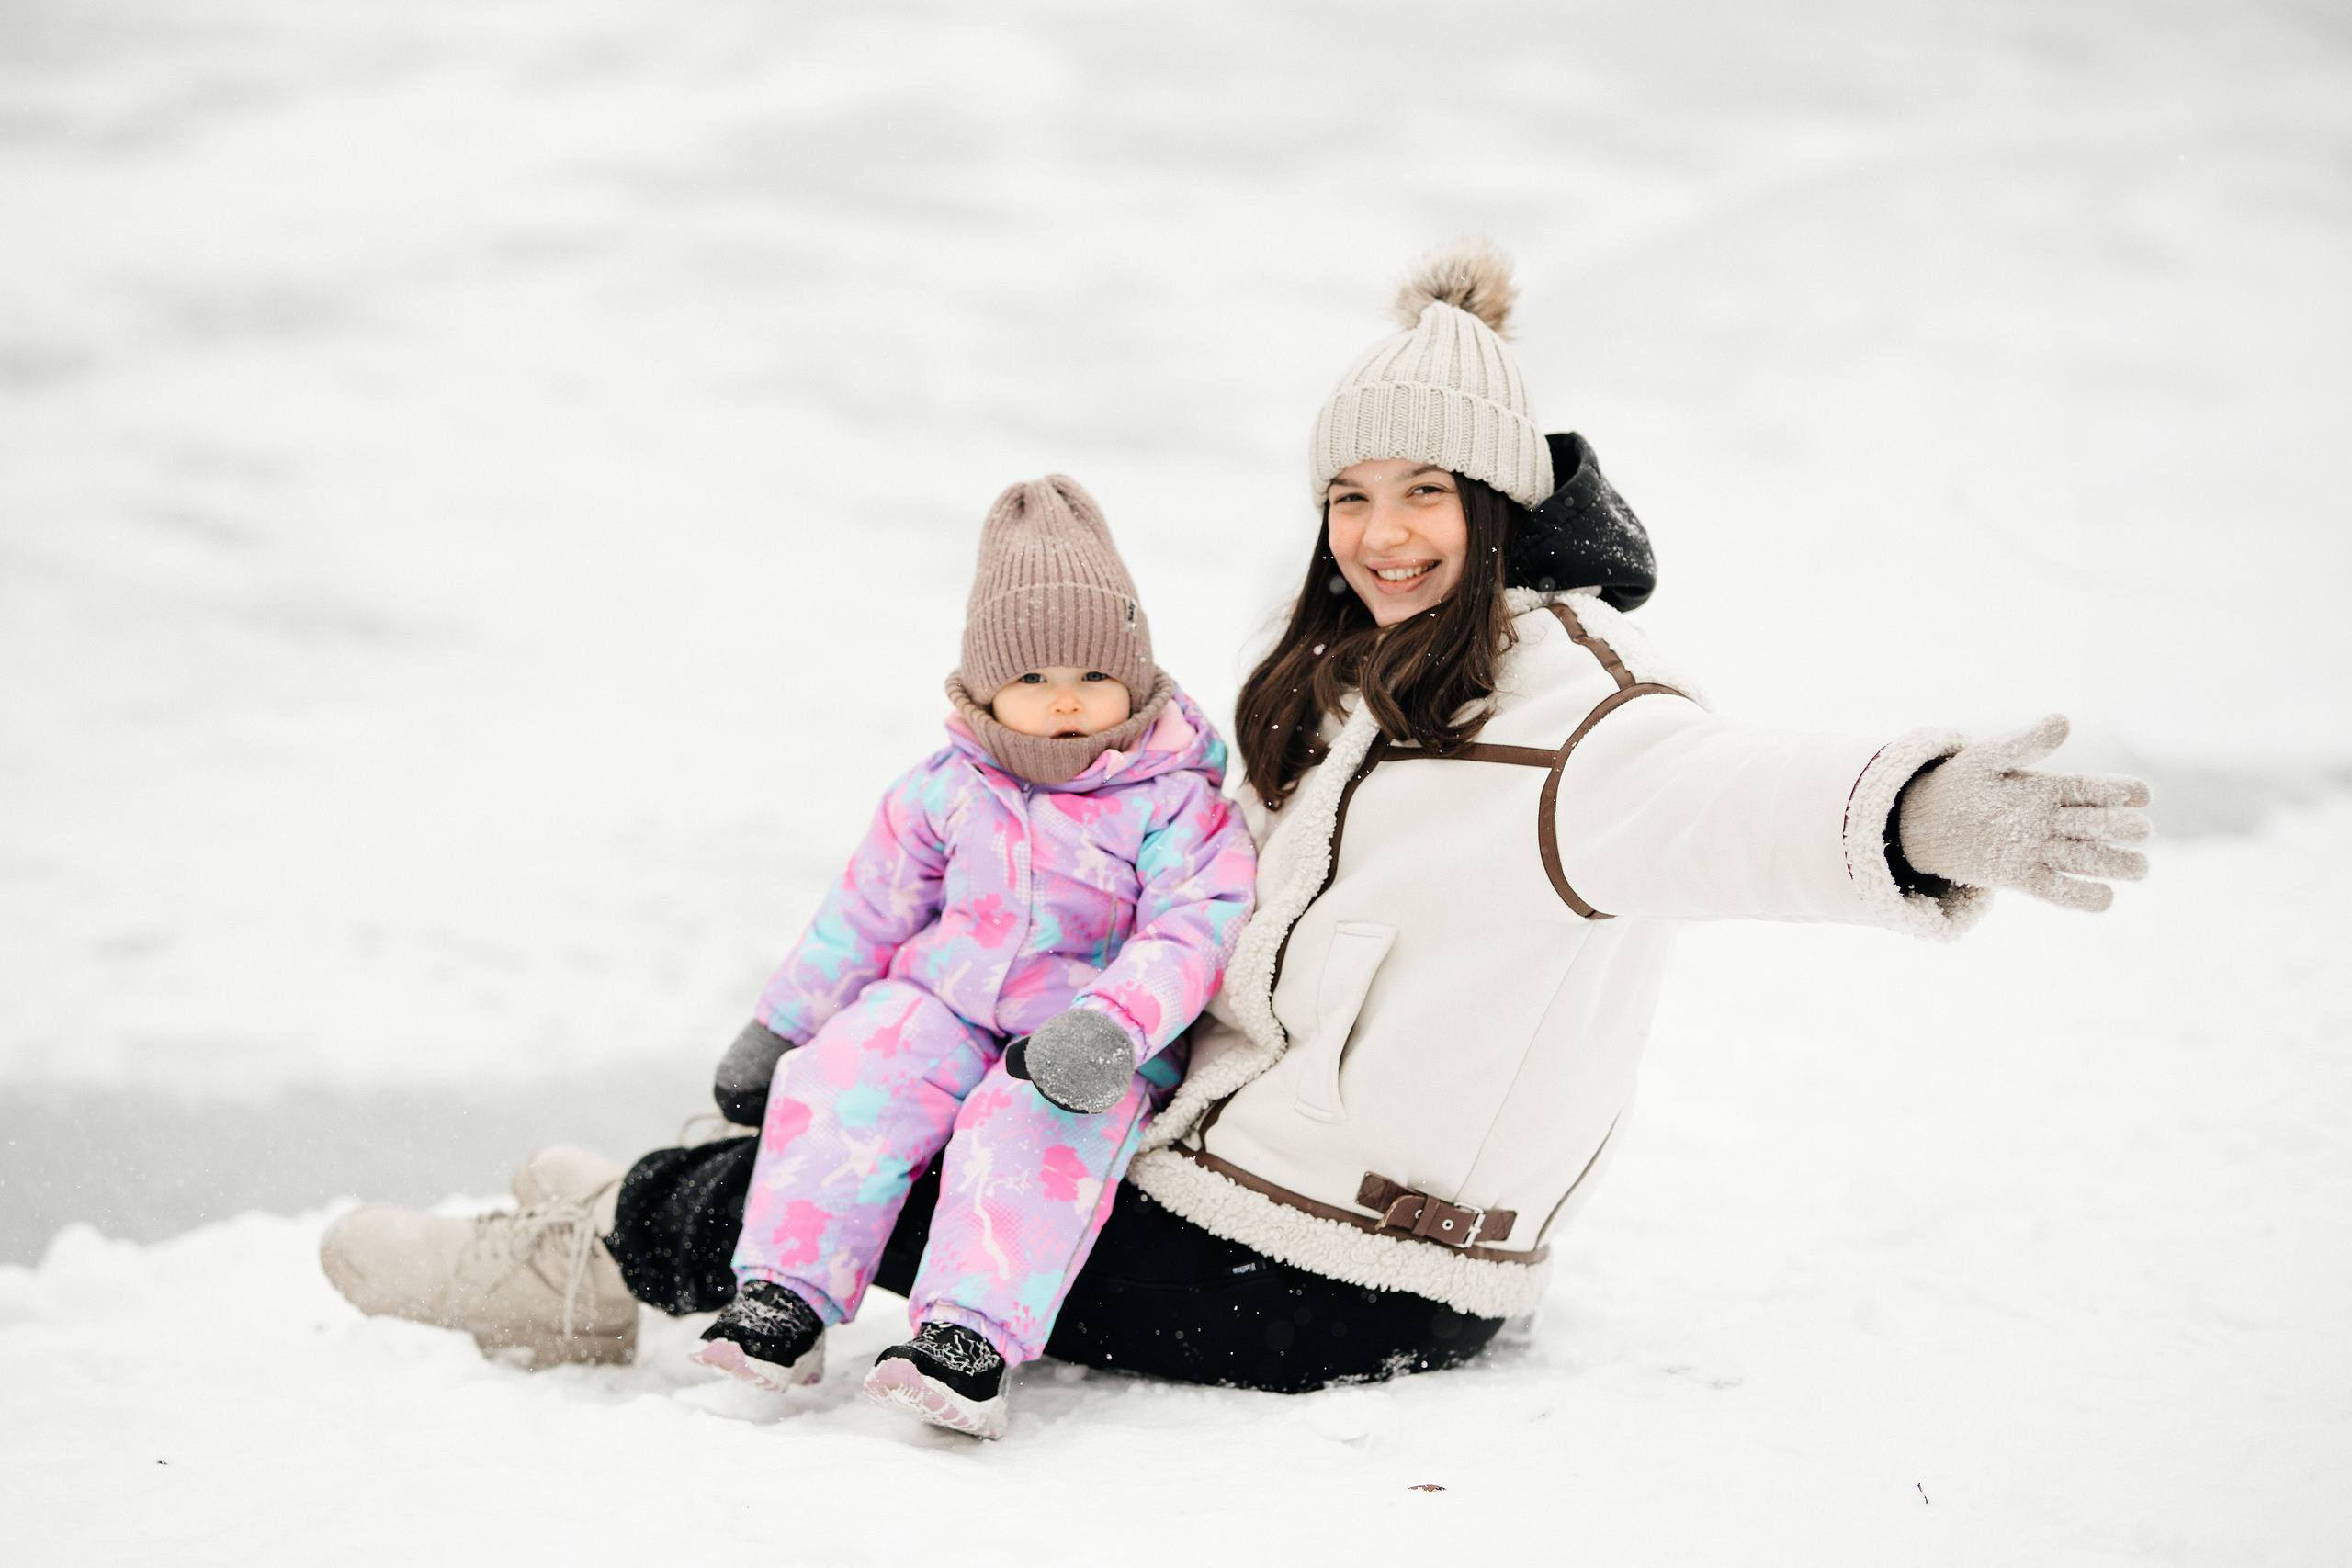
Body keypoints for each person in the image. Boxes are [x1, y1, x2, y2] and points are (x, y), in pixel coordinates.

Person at [322, 240, 2153, 1421]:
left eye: (1420, 491)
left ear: (1501, 499)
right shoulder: (1373, 693)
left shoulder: (1572, 728)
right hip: (1250, 1190)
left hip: (1326, 1270)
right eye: (1346, 495)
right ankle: (663, 1206)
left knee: (889, 1173)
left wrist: (1914, 808)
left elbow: (1727, 799)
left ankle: (599, 1250)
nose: (1376, 530)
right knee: (910, 1080)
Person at [322, 476, 1256, 1439]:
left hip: (1081, 1036)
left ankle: (967, 1340)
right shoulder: (943, 790)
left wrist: (1112, 1026)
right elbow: (862, 915)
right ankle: (784, 1295)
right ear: (983, 691)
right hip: (947, 1001)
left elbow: (1194, 926)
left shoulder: (1174, 803)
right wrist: (785, 1027)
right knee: (852, 1071)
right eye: (1032, 682)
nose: (1065, 703)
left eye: (1092, 678)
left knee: (1026, 1136)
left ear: (1136, 681)